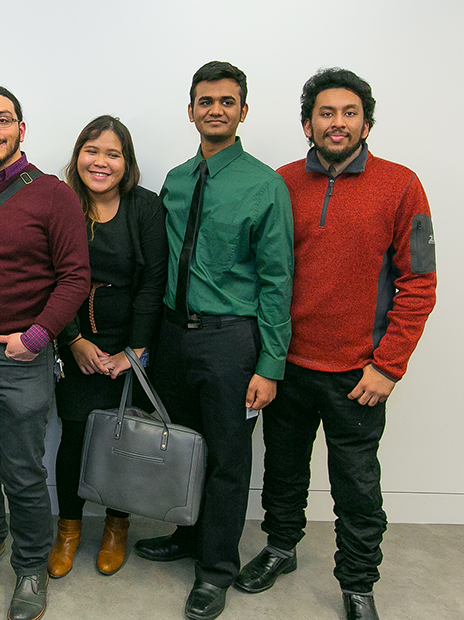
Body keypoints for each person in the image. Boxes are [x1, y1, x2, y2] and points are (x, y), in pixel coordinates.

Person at [234, 68, 437, 620]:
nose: (338, 122)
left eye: (349, 112)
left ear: (366, 122)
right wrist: (265, 358)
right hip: (288, 364)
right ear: (308, 123)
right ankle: (280, 547)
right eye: (326, 113)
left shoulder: (402, 184)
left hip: (359, 373)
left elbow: (420, 282)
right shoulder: (280, 183)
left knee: (356, 485)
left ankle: (357, 582)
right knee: (282, 469)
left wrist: (388, 366)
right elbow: (257, 274)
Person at [133, 61, 293, 620]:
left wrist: (271, 363)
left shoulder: (265, 184)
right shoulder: (176, 180)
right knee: (181, 447)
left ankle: (216, 569)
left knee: (226, 459)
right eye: (206, 101)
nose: (216, 109)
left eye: (227, 101)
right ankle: (185, 536)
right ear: (191, 110)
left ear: (243, 111)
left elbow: (277, 279)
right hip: (174, 335)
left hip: (231, 341)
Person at [0, 86, 90, 620]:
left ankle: (30, 567)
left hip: (21, 361)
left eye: (3, 119)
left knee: (23, 471)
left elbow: (76, 277)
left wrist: (36, 337)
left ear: (21, 130)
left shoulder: (53, 194)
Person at [48, 115, 167, 579]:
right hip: (75, 341)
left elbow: (154, 282)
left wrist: (135, 352)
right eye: (91, 151)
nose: (100, 162)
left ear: (127, 162)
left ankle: (117, 528)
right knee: (74, 439)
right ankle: (69, 530)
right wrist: (73, 340)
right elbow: (52, 277)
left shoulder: (146, 207)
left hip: (132, 348)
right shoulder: (61, 203)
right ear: (77, 156)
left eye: (112, 153)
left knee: (125, 440)